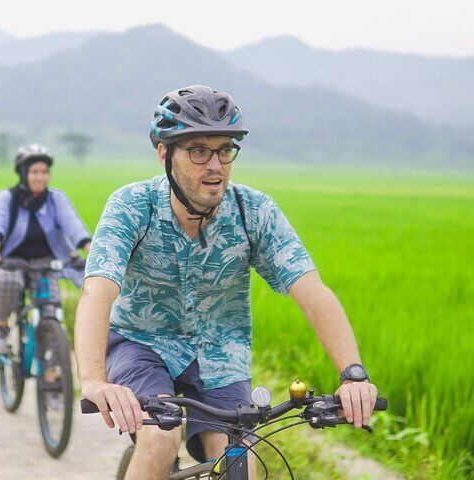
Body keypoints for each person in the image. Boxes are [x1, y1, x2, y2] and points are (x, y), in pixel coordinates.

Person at [74, 85, 379, 480]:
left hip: (221, 353)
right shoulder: (132, 206)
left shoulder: (254, 212)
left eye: (224, 150)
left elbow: (313, 292)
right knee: (161, 437)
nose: (215, 165)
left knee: (240, 463)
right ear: (165, 154)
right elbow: (98, 290)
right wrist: (94, 381)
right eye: (199, 151)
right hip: (141, 343)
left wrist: (353, 375)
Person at [0, 144, 92, 354]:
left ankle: (51, 367)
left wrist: (92, 249)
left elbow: (74, 226)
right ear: (23, 173)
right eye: (34, 172)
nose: (40, 177)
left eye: (44, 173)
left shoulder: (55, 198)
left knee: (50, 309)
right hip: (12, 262)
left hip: (47, 262)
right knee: (7, 282)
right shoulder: (7, 198)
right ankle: (2, 328)